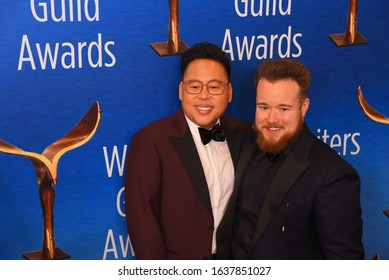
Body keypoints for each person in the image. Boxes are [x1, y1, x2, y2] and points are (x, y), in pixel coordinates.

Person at [124, 42, 251, 260]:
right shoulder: (150, 142)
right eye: (194, 86)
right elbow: (143, 224)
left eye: (214, 87)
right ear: (181, 91)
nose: (204, 96)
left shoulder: (244, 134)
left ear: (229, 92)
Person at [232, 59, 365, 259]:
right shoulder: (245, 147)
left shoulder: (333, 175)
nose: (272, 119)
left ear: (304, 107)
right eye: (264, 107)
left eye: (283, 109)